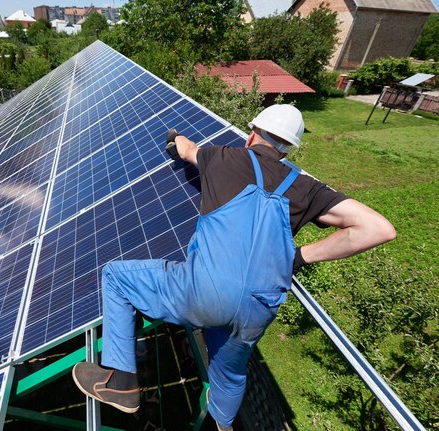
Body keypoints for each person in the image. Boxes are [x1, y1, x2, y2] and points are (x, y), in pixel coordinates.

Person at [72, 104, 396, 430]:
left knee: (115, 277)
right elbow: (379, 229)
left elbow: (187, 151)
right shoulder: (307, 188)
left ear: (252, 133)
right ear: (287, 149)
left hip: (203, 293)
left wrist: (176, 138)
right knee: (230, 371)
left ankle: (121, 382)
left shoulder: (223, 157)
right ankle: (222, 425)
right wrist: (299, 256)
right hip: (258, 308)